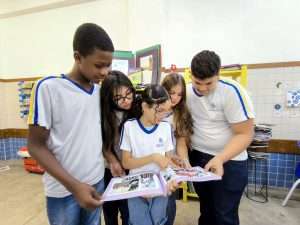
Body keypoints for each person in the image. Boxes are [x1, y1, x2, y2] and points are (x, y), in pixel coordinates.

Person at [27, 23, 114, 225]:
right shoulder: (48, 87)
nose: (105, 72)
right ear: (78, 57)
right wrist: (75, 187)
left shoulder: (98, 92)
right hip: (63, 190)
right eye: (99, 65)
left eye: (108, 65)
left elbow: (93, 134)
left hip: (96, 182)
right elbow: (35, 146)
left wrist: (111, 159)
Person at [187, 50, 255, 225]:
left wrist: (220, 158)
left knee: (224, 215)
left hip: (230, 162)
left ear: (218, 75)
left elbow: (245, 134)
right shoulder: (186, 92)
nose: (202, 88)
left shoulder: (232, 92)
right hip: (199, 158)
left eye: (209, 83)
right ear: (191, 74)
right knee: (206, 210)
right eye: (197, 83)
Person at [120, 84, 177, 225]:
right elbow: (126, 162)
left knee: (159, 221)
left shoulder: (165, 127)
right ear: (145, 106)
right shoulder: (129, 127)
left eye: (166, 112)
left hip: (160, 187)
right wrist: (154, 157)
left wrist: (171, 180)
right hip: (136, 188)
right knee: (139, 222)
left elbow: (168, 162)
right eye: (159, 111)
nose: (163, 116)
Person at [101, 70, 136, 225]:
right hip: (108, 170)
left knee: (129, 212)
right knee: (110, 210)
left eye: (129, 94)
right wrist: (113, 161)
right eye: (119, 98)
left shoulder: (137, 108)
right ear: (109, 98)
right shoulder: (103, 114)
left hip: (131, 169)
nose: (126, 100)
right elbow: (102, 143)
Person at [161, 73, 194, 225]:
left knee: (168, 203)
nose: (175, 98)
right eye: (171, 93)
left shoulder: (179, 114)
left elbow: (181, 144)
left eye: (179, 94)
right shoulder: (151, 109)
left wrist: (185, 162)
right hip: (150, 163)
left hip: (171, 165)